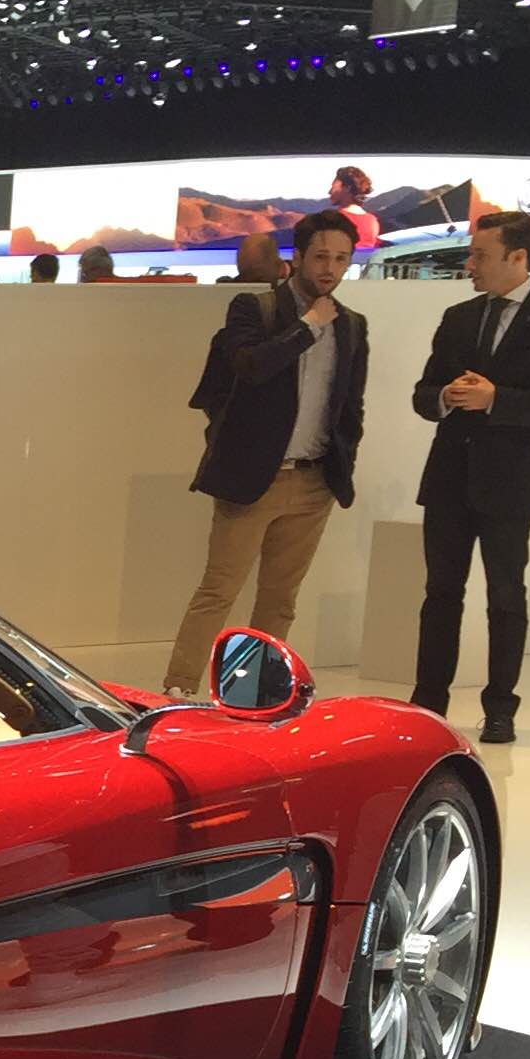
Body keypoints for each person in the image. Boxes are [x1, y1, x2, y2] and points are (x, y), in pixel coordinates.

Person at [165, 209, 369, 696]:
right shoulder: (255, 308)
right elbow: (251, 366)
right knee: (219, 589)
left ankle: (252, 695)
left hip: (314, 480)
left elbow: (350, 404)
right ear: (297, 257)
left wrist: (343, 461)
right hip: (254, 476)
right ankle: (178, 688)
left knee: (280, 600)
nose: (330, 268)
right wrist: (308, 327)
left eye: (341, 259)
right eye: (321, 256)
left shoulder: (352, 325)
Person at [406, 212, 530, 744]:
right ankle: (428, 702)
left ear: (517, 257)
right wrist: (445, 396)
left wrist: (496, 400)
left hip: (510, 484)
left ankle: (500, 707)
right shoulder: (459, 317)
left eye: (481, 255)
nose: (471, 264)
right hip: (448, 477)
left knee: (506, 596)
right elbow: (423, 393)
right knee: (440, 593)